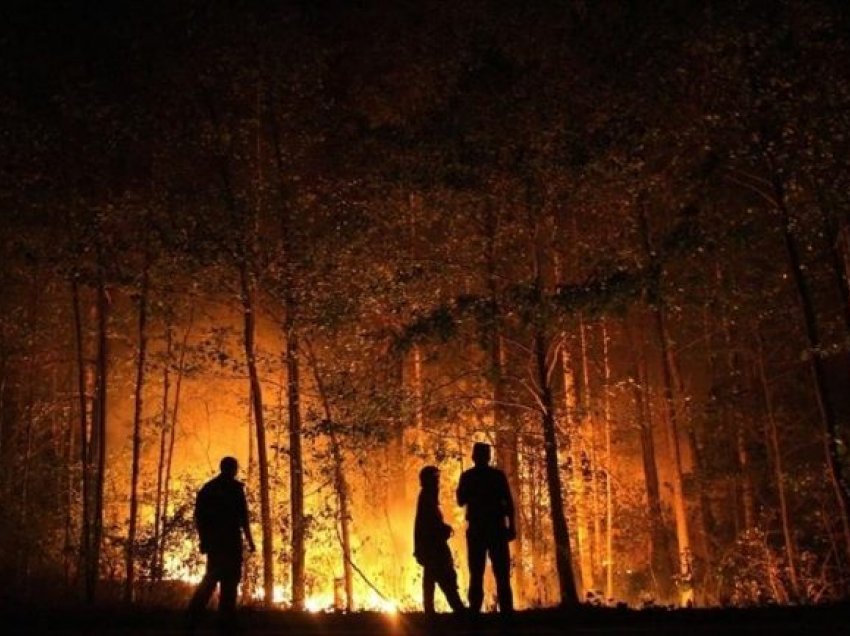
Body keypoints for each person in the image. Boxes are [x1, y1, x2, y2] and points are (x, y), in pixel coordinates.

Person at [187, 456, 256, 632]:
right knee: (225, 580)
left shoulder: (209, 489)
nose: (236, 471)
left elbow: (200, 518)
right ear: (231, 469)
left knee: (217, 579)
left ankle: (200, 617)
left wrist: (204, 540)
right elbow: (243, 518)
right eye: (235, 468)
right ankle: (220, 619)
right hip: (228, 541)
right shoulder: (234, 489)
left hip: (217, 542)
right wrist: (249, 540)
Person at [456, 442, 515, 615]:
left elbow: (460, 501)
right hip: (496, 528)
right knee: (501, 574)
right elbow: (508, 503)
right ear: (488, 457)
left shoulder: (467, 477)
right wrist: (511, 526)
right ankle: (506, 612)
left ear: (474, 457)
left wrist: (461, 491)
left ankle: (475, 612)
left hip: (478, 530)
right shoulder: (497, 476)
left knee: (477, 573)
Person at [414, 465, 465, 615]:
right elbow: (429, 524)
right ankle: (457, 608)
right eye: (435, 478)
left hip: (431, 547)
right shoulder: (426, 498)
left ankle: (431, 611)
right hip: (433, 547)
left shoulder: (427, 497)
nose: (438, 482)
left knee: (432, 577)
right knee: (445, 576)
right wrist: (443, 530)